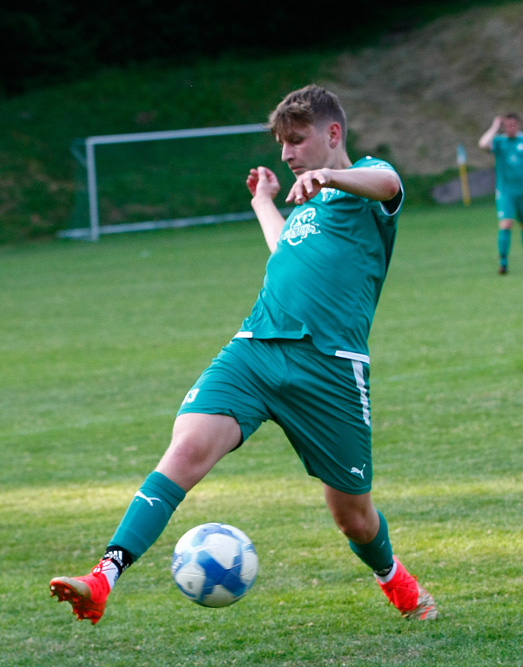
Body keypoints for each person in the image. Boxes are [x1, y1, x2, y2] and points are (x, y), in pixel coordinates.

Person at [49, 84, 437, 623]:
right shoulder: (307, 204)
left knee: (354, 519)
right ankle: (102, 578)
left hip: (329, 368)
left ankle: (395, 579)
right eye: (281, 143)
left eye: (296, 141)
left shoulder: (365, 185)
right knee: (184, 452)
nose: (287, 153)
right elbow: (285, 251)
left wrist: (330, 177)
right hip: (254, 350)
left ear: (332, 134)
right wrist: (263, 203)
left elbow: (389, 183)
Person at [478, 113, 523, 274]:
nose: (511, 128)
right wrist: (494, 127)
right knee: (506, 223)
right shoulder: (499, 142)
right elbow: (482, 144)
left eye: (513, 125)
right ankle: (503, 263)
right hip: (506, 192)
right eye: (507, 125)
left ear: (518, 125)